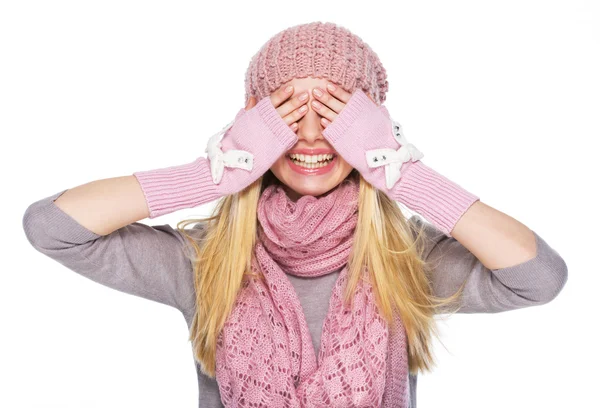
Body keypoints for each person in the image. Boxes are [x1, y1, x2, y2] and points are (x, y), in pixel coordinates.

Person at [22, 21, 568, 408]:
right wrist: (213, 171)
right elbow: (53, 228)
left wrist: (399, 170)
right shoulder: (207, 259)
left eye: (335, 115)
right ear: (254, 126)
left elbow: (538, 278)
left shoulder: (407, 257)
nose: (309, 135)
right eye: (286, 114)